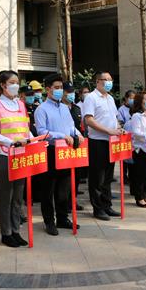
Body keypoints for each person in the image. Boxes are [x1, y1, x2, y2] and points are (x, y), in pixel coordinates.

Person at [35, 74, 83, 235]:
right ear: (47, 89)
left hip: (66, 152)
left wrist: (78, 134)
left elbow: (70, 127)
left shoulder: (64, 107)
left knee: (64, 188)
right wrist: (61, 136)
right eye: (56, 88)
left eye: (61, 88)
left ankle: (63, 218)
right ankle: (49, 221)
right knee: (48, 189)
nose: (59, 91)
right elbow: (42, 132)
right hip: (50, 151)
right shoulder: (41, 109)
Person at [0, 70, 31, 248]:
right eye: (12, 82)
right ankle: (6, 233)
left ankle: (16, 230)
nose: (15, 85)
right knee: (6, 196)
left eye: (17, 82)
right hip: (4, 155)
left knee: (18, 197)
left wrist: (32, 139)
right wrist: (12, 142)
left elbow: (25, 127)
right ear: (3, 85)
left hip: (21, 155)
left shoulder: (21, 104)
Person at [82, 71, 123, 221]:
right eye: (105, 80)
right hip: (97, 141)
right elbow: (89, 120)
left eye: (110, 80)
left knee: (108, 177)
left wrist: (118, 128)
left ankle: (107, 205)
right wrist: (108, 131)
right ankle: (98, 209)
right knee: (97, 178)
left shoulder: (110, 98)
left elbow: (114, 118)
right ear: (97, 82)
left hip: (111, 142)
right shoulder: (91, 98)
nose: (108, 82)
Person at [129, 92, 146, 208]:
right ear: (140, 102)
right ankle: (139, 197)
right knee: (139, 174)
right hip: (140, 149)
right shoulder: (137, 116)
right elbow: (136, 133)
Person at [62, 81, 86, 209]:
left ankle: (73, 200)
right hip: (64, 146)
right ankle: (64, 202)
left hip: (77, 146)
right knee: (65, 178)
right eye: (68, 92)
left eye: (72, 92)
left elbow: (80, 127)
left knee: (76, 175)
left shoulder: (77, 108)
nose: (71, 95)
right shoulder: (60, 108)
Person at [117, 89, 135, 184]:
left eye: (134, 98)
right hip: (124, 136)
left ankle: (131, 177)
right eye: (131, 98)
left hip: (133, 137)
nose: (132, 100)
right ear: (126, 98)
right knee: (124, 158)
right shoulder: (121, 109)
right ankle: (124, 177)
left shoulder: (135, 108)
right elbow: (120, 122)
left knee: (132, 158)